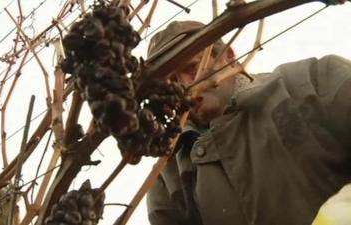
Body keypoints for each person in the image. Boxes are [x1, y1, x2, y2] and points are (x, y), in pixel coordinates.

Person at [146, 20, 351, 225]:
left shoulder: (312, 81)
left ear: (229, 57)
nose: (185, 86)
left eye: (192, 67)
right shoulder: (167, 175)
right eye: (171, 82)